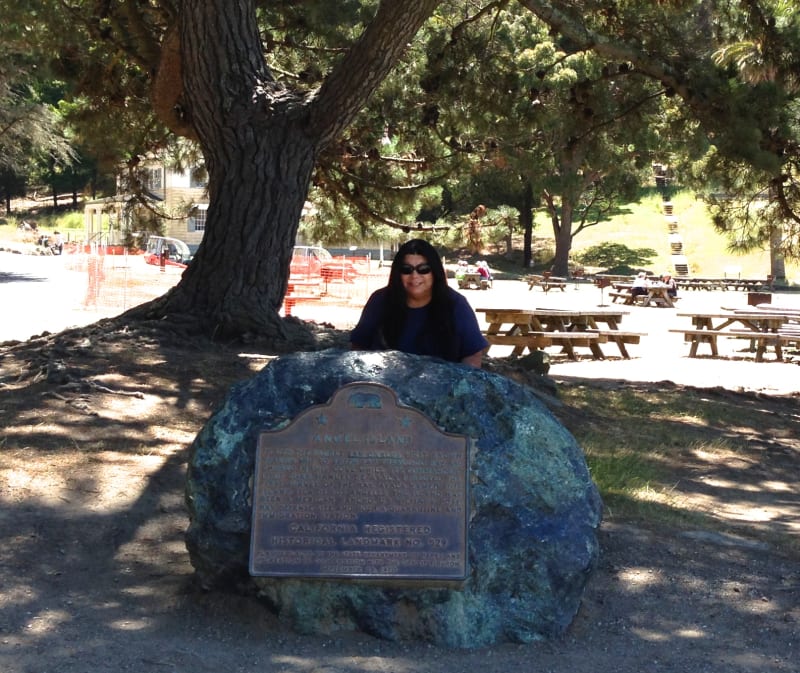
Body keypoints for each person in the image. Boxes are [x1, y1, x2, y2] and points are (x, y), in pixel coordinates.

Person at [350, 239, 489, 367]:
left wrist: (461, 390)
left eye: (423, 269)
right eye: (406, 269)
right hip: (385, 388)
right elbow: (359, 346)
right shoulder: (379, 301)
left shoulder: (456, 305)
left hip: (441, 389)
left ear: (434, 272)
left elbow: (473, 354)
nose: (415, 276)